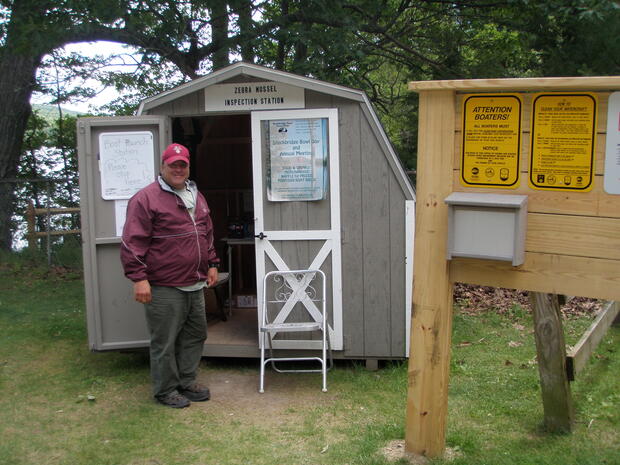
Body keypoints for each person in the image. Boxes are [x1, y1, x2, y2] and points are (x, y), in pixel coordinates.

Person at [120, 143, 219, 408]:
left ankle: (187, 381)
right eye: (172, 165)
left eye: (182, 165)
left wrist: (212, 263)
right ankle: (165, 389)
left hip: (195, 282)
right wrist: (139, 278)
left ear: (188, 168)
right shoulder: (145, 198)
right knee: (164, 341)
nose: (177, 169)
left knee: (196, 334)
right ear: (162, 167)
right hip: (164, 285)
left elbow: (206, 232)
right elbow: (132, 241)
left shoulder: (195, 195)